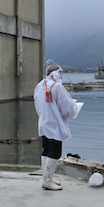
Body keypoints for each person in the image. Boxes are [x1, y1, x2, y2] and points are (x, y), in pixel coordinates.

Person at [33, 62, 82, 190]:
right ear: (56, 74)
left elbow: (38, 106)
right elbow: (67, 108)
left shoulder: (39, 86)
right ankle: (47, 181)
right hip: (55, 125)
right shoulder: (57, 87)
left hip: (43, 123)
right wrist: (75, 108)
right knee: (54, 153)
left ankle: (47, 177)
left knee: (46, 151)